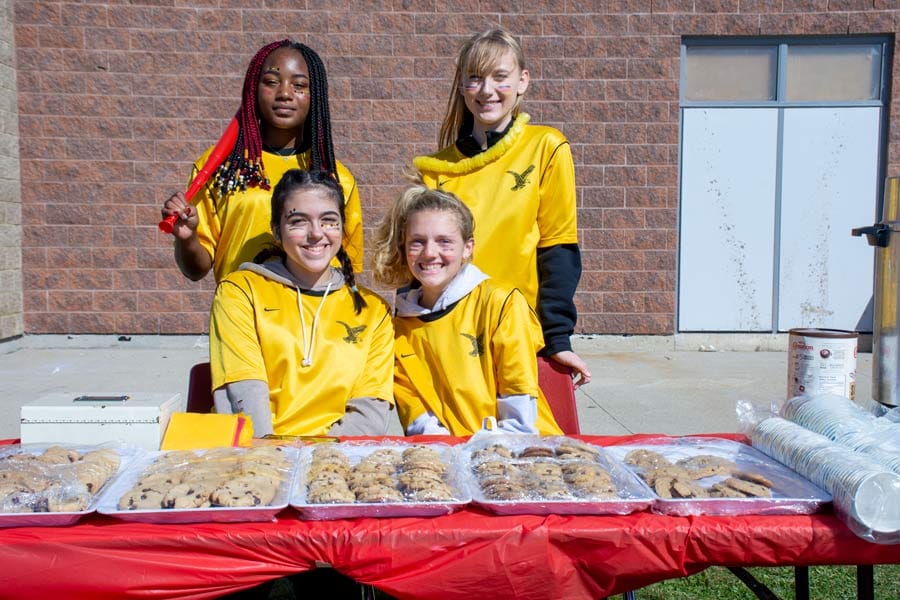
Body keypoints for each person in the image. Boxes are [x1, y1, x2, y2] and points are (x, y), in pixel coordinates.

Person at [412, 27, 592, 387]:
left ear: (523, 81)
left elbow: (557, 247)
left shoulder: (546, 147)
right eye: (475, 79)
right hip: (452, 335)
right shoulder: (435, 170)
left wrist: (557, 338)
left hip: (520, 336)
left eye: (500, 77)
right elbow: (420, 264)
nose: (487, 90)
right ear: (462, 86)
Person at [160, 39, 363, 283]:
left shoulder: (337, 178)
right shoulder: (221, 169)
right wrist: (188, 238)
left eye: (299, 85)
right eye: (271, 82)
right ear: (253, 90)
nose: (285, 93)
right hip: (240, 313)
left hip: (312, 316)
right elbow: (195, 269)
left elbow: (347, 271)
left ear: (314, 95)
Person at [209, 169, 393, 437]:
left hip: (337, 461)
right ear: (276, 230)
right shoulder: (240, 291)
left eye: (329, 221)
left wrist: (325, 460)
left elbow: (371, 407)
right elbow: (243, 389)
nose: (316, 233)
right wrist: (272, 459)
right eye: (298, 221)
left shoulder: (373, 310)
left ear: (343, 227)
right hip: (263, 456)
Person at [372, 185, 562, 436]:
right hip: (449, 457)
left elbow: (519, 406)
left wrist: (484, 450)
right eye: (417, 242)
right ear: (404, 248)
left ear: (468, 247)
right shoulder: (397, 327)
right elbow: (416, 413)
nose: (430, 253)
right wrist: (447, 452)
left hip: (521, 450)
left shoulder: (500, 302)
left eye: (444, 241)